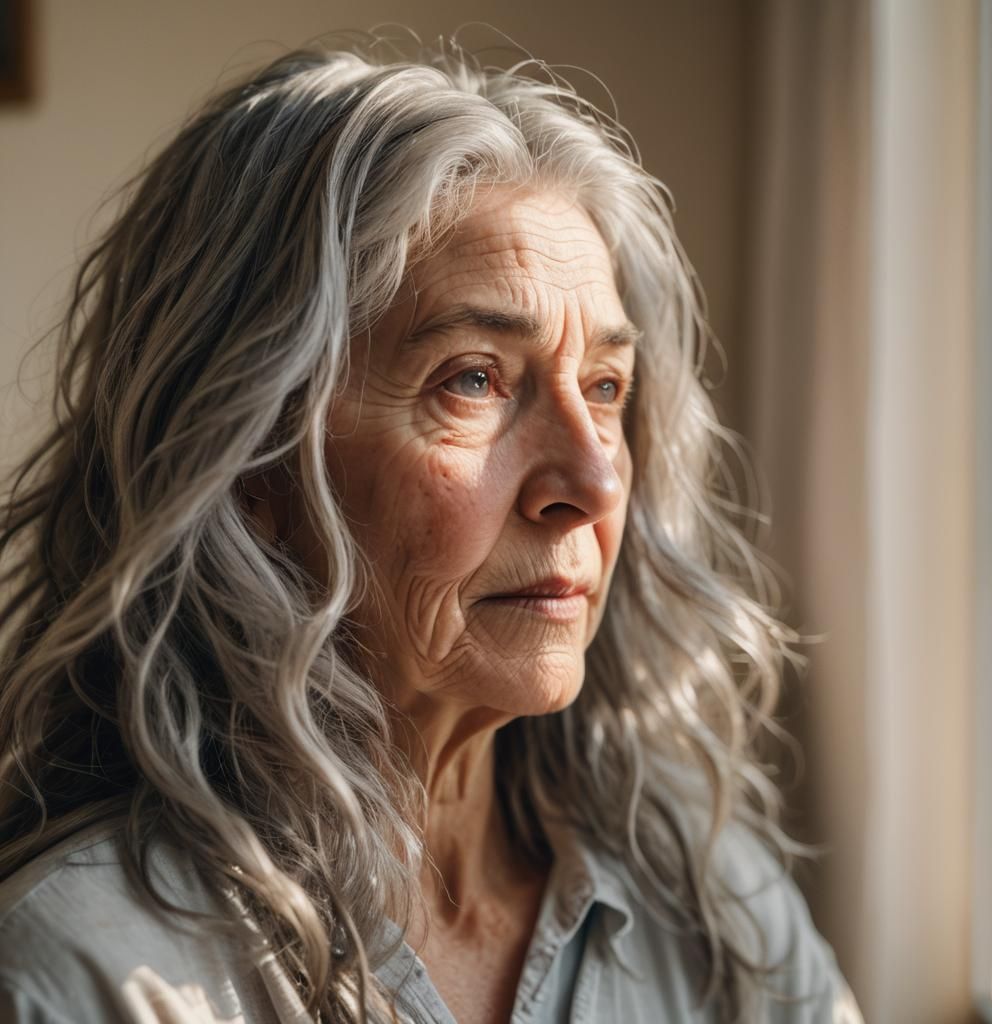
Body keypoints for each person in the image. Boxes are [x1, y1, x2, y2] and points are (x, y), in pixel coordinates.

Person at [0, 37, 863, 1024]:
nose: (588, 481)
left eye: (605, 388)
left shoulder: (710, 905)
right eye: (473, 379)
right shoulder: (89, 975)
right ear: (248, 463)